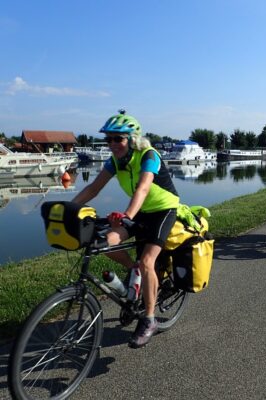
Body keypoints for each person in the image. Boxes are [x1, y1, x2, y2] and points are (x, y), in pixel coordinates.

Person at [72, 110, 179, 348]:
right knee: (102, 242)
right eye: (109, 139)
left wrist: (127, 216)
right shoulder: (115, 161)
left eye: (118, 138)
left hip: (163, 210)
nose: (112, 144)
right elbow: (94, 188)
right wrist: (70, 208)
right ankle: (133, 269)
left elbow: (142, 188)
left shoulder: (148, 155)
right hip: (139, 211)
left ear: (132, 139)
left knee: (148, 261)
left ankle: (149, 319)